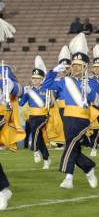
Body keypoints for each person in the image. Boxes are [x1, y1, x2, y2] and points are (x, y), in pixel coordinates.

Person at [43, 33, 99, 189]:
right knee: (73, 147)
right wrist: (52, 72)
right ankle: (89, 167)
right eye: (73, 65)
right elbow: (45, 87)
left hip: (83, 120)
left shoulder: (91, 82)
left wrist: (90, 92)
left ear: (85, 66)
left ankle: (68, 178)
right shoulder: (64, 81)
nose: (75, 67)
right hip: (67, 118)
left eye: (79, 65)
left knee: (70, 146)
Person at [0, 18, 24, 211]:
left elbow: (21, 91)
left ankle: (3, 190)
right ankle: (4, 188)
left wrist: (12, 86)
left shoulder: (4, 69)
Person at [19, 56, 51, 169]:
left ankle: (35, 150)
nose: (35, 80)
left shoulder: (46, 89)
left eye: (37, 78)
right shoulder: (29, 90)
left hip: (43, 116)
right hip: (32, 116)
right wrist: (20, 94)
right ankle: (46, 158)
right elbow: (21, 103)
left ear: (42, 79)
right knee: (39, 138)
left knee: (36, 132)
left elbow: (50, 103)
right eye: (33, 78)